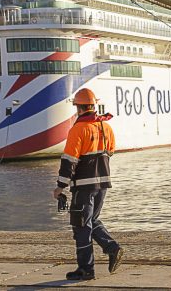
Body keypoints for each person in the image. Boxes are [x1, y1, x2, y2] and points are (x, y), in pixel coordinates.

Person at [53, 88, 124, 281]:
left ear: (78, 107)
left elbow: (69, 160)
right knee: (91, 220)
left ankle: (86, 269)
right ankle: (112, 248)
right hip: (103, 184)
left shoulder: (78, 129)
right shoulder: (105, 127)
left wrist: (61, 186)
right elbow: (110, 152)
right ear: (93, 105)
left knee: (81, 225)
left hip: (84, 186)